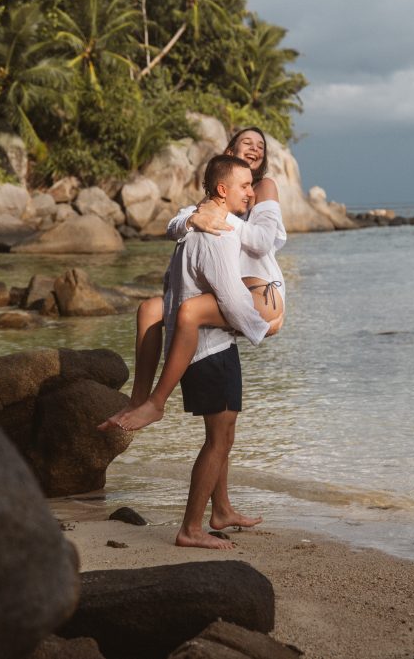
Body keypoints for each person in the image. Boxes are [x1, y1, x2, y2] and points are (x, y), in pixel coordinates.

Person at [99, 127, 286, 433]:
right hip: (222, 290)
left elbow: (264, 240)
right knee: (149, 309)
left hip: (258, 289)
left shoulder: (262, 187)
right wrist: (193, 218)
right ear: (229, 153)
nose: (256, 149)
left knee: (191, 312)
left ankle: (158, 402)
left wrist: (220, 217)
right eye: (247, 143)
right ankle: (138, 400)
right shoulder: (216, 198)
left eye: (261, 146)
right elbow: (175, 225)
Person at [153, 154, 276, 549]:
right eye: (245, 186)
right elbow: (233, 299)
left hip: (202, 348)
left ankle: (220, 511)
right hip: (211, 350)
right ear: (223, 189)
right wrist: (264, 328)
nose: (251, 193)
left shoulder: (199, 225)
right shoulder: (217, 231)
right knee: (218, 442)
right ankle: (190, 528)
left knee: (222, 435)